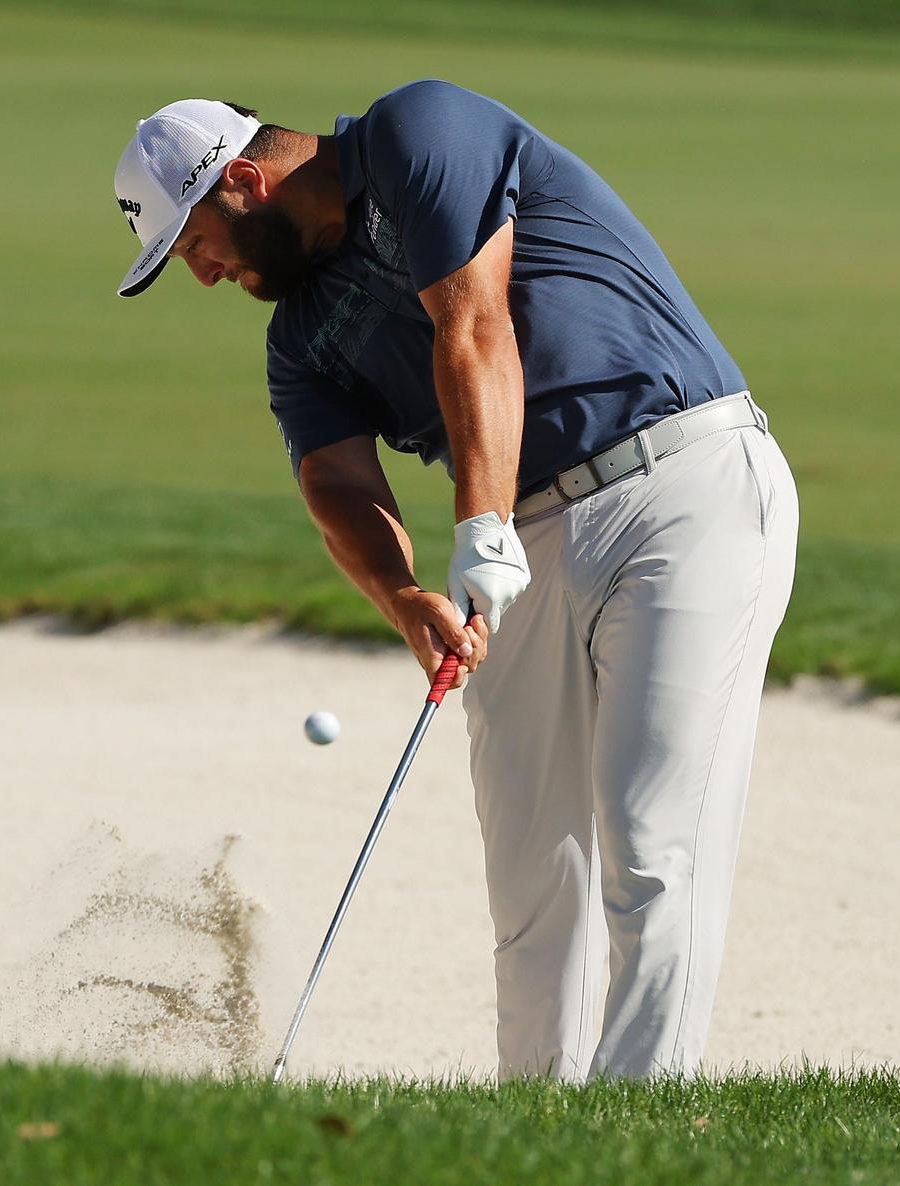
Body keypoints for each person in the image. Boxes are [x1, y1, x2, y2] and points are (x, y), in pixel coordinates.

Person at [112, 80, 797, 1079]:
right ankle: (535, 1134)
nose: (203, 275)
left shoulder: (420, 132)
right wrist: (402, 596)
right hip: (522, 538)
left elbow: (471, 324)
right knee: (529, 879)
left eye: (193, 244)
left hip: (680, 487)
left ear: (245, 181)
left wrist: (476, 524)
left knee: (654, 848)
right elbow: (334, 477)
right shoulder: (300, 342)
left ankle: (636, 1133)